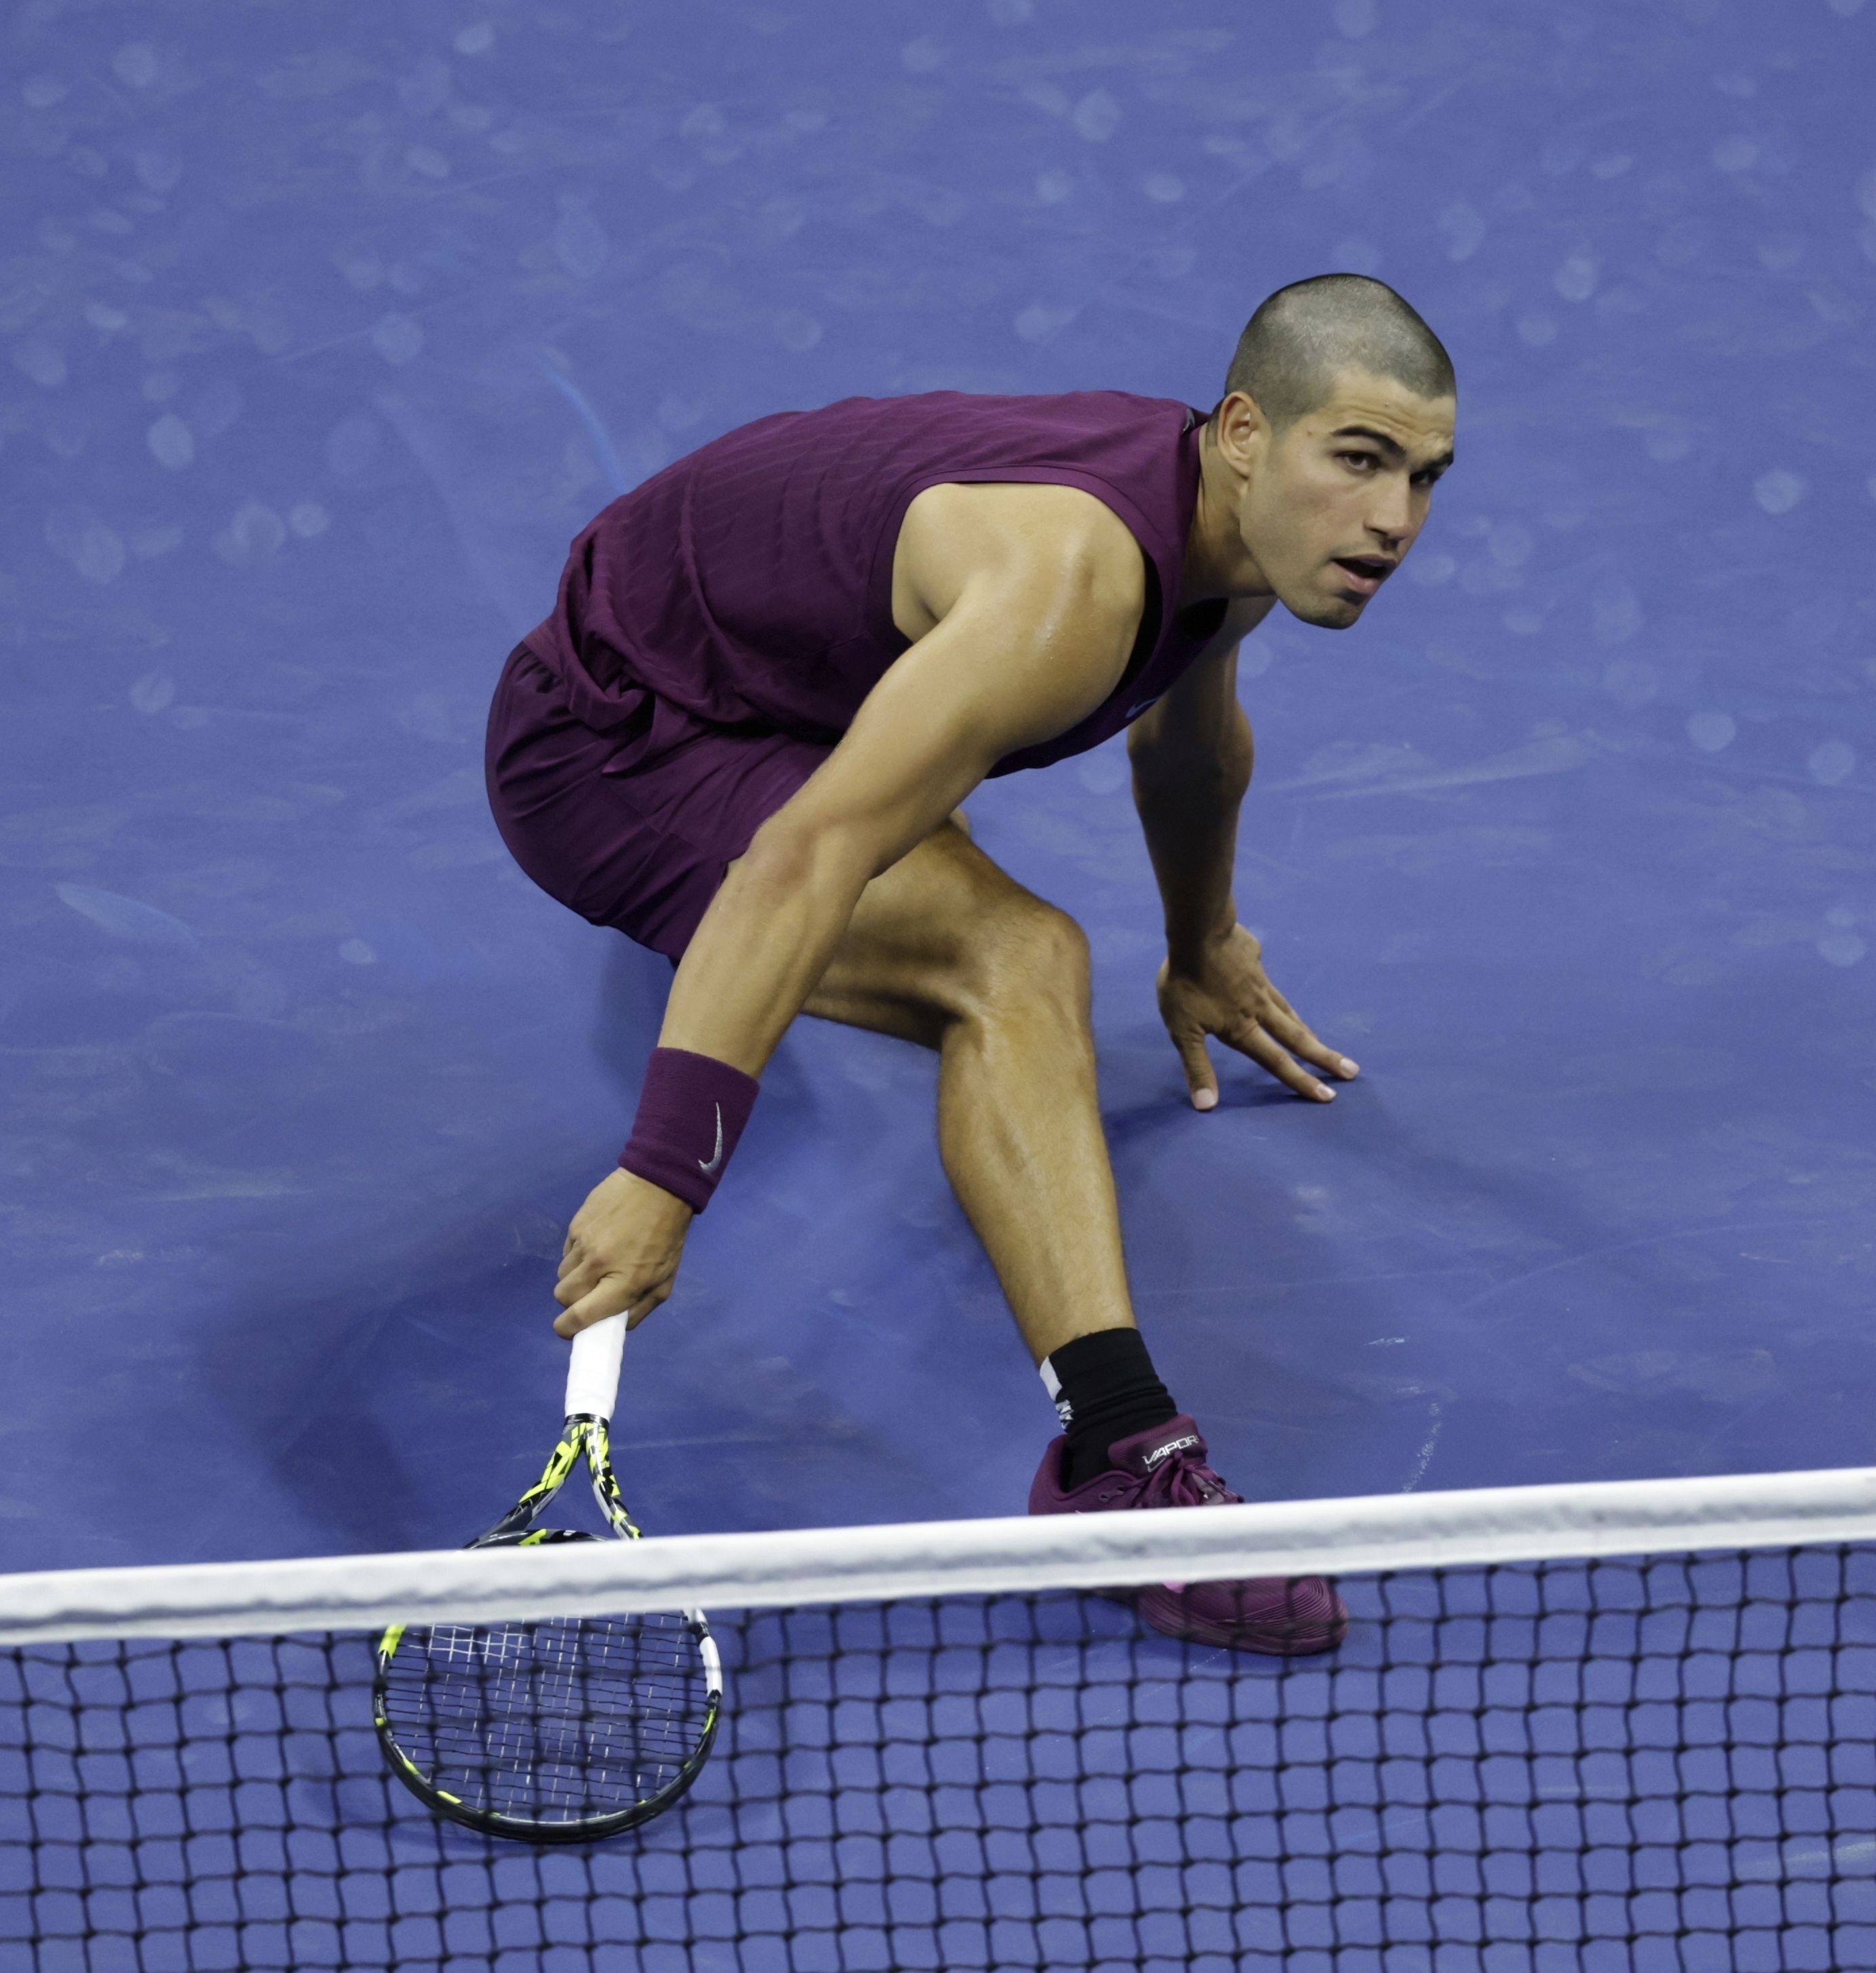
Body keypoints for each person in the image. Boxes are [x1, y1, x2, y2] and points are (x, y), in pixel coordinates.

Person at [483, 274, 1455, 1656]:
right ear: (1245, 430)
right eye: (1357, 462)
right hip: (613, 745)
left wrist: (1201, 947)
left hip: (761, 675)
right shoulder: (1069, 589)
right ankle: (1122, 1467)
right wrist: (663, 1172)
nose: (1393, 523)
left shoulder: (1227, 531)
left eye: (1423, 477)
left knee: (964, 892)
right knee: (1013, 957)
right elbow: (801, 861)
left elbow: (1185, 739)